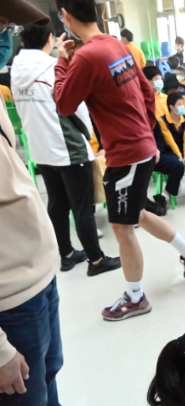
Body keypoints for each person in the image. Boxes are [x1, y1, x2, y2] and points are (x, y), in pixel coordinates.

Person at [0, 3, 110, 406]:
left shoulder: (13, 76)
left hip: (35, 269)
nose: (5, 33)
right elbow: (73, 107)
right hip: (8, 295)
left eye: (7, 26)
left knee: (48, 368)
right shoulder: (48, 67)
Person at [54, 0, 185, 321]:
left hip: (127, 155)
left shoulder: (85, 57)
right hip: (140, 147)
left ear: (65, 15)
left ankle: (135, 297)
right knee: (137, 214)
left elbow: (63, 103)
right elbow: (148, 93)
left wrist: (61, 61)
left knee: (122, 228)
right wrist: (145, 133)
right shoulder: (116, 45)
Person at [12, 23, 121, 276]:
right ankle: (96, 260)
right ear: (51, 38)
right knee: (82, 207)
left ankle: (67, 254)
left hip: (40, 149)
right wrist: (88, 134)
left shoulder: (16, 69)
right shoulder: (52, 68)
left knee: (57, 204)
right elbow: (77, 107)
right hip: (67, 147)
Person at [142, 65, 184, 204]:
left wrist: (158, 149)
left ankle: (164, 196)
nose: (160, 82)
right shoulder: (140, 104)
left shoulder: (166, 99)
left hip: (165, 142)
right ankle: (144, 203)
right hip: (145, 151)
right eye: (156, 79)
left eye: (160, 78)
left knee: (178, 164)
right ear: (147, 82)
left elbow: (160, 132)